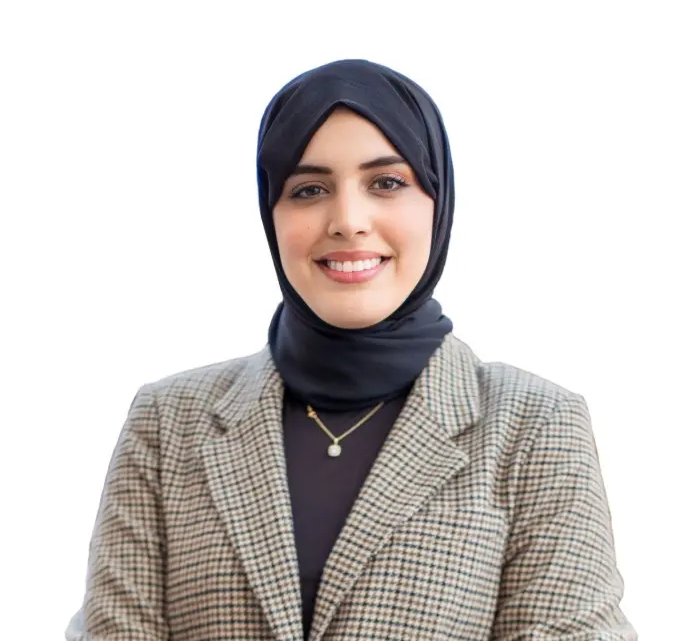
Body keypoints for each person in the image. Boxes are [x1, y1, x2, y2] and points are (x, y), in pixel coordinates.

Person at [66, 59, 637, 640]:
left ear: (437, 201)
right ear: (271, 213)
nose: (347, 221)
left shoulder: (534, 424)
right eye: (309, 190)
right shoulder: (168, 421)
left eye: (386, 183)